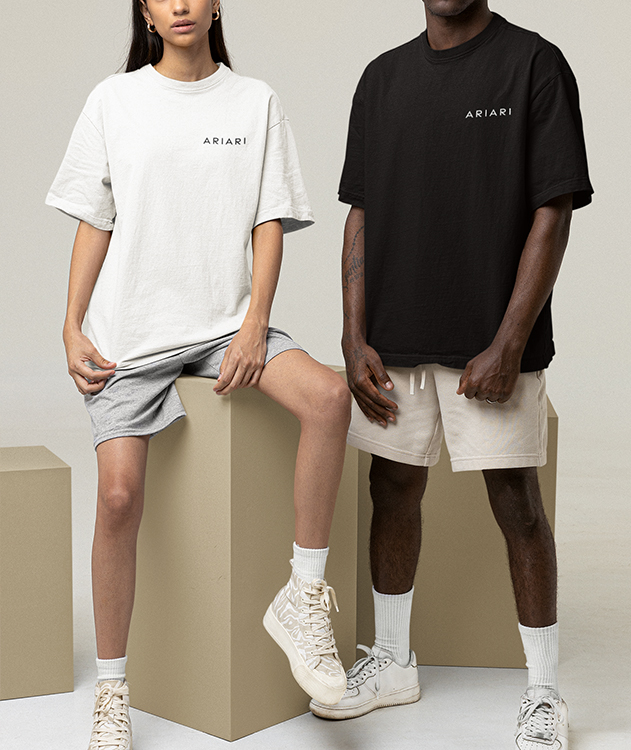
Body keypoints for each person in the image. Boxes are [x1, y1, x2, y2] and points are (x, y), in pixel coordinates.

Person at [46, 2, 352, 748]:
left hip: (225, 327)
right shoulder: (114, 99)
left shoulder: (255, 101)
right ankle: (112, 690)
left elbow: (269, 221)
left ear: (217, 4)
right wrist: (71, 323)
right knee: (118, 498)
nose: (179, 4)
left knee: (329, 397)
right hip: (131, 335)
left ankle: (303, 596)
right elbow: (95, 218)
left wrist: (254, 324)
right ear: (145, 11)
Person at [309, 2, 592, 749]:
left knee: (516, 501)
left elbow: (554, 209)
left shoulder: (533, 64)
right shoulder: (381, 79)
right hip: (392, 338)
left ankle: (544, 694)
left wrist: (509, 341)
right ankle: (392, 662)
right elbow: (360, 213)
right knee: (391, 487)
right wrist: (352, 335)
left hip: (490, 344)